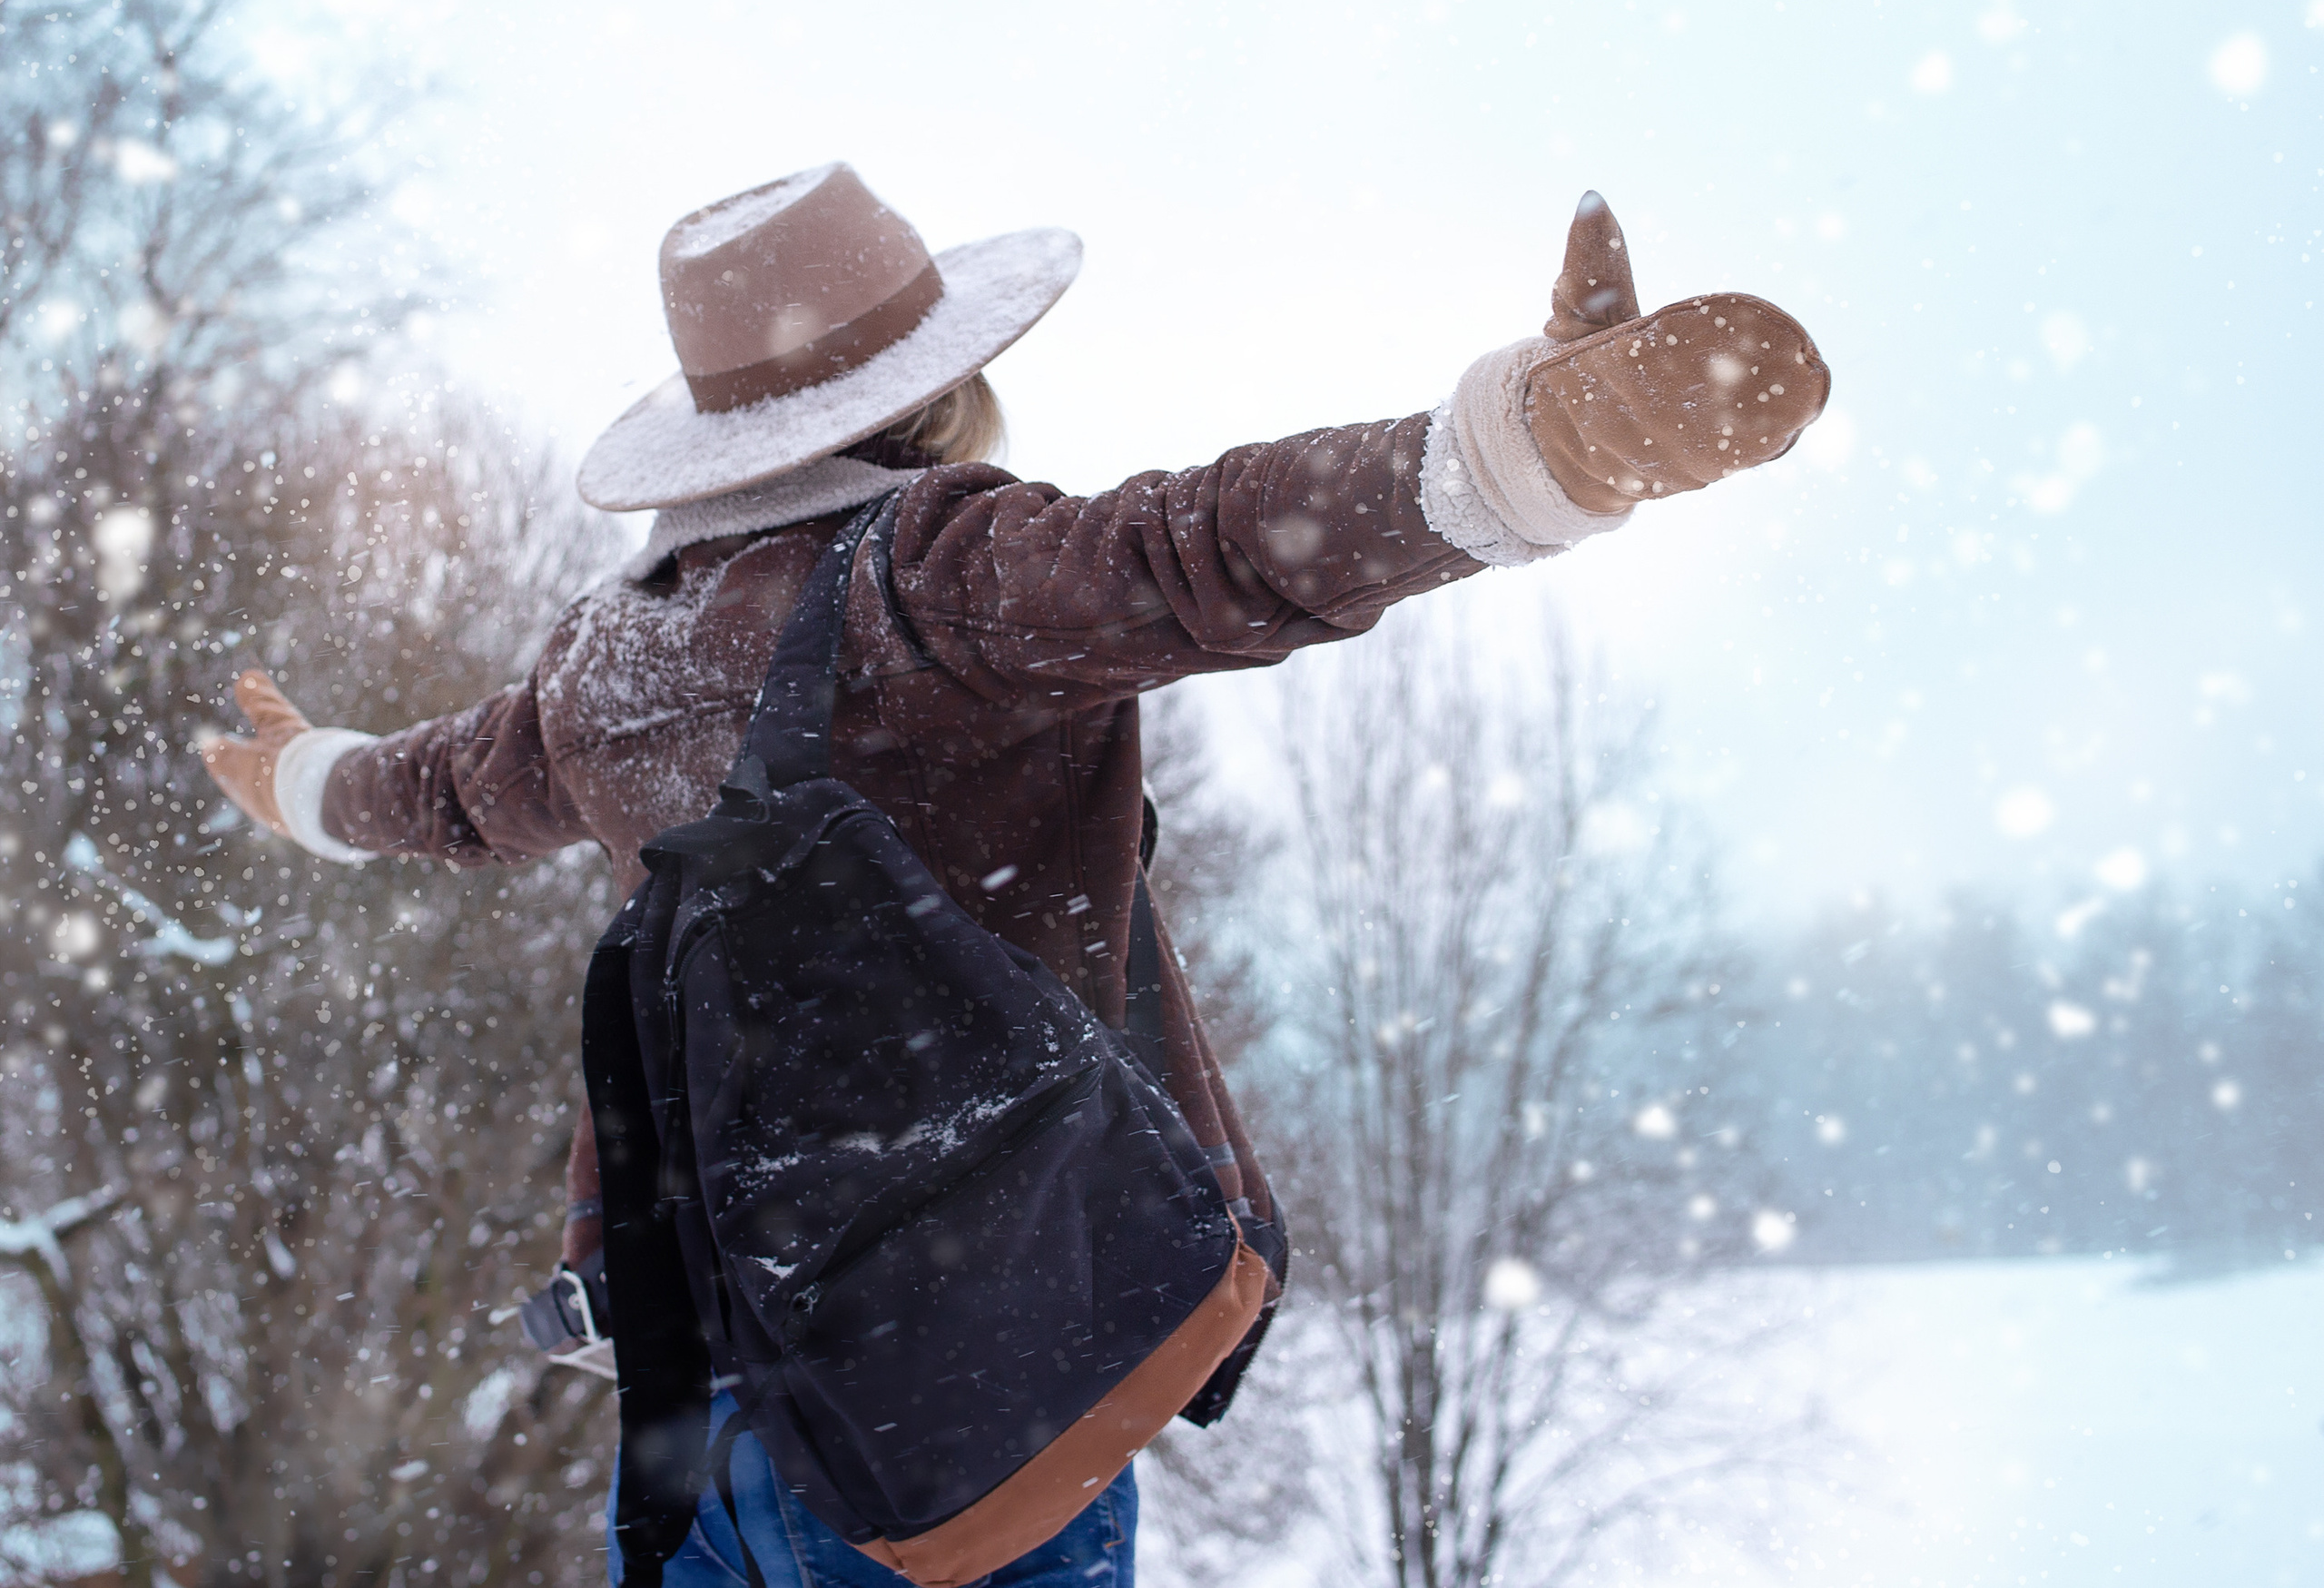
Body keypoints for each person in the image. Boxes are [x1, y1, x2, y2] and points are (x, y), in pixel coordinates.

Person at [201, 161, 1828, 1587]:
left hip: (699, 1366)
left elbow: (448, 793)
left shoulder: (606, 659)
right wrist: (1527, 451)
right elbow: (1203, 550)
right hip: (964, 1355)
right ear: (935, 392)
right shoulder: (925, 580)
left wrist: (304, 781)